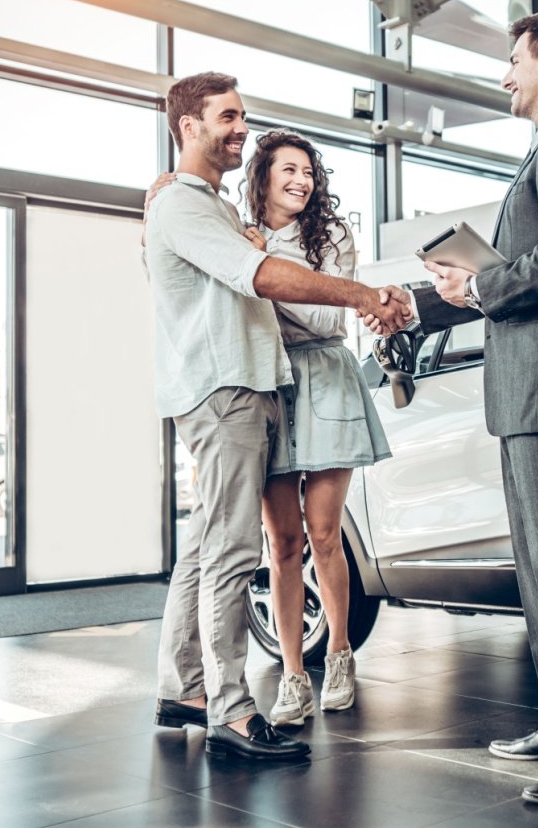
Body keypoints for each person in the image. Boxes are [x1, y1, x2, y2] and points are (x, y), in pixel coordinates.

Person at [363, 10, 538, 805]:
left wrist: (481, 284)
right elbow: (519, 269)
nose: (505, 75)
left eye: (514, 60)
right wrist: (427, 301)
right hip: (529, 391)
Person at [145, 72, 409, 761]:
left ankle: (184, 689)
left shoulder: (201, 204)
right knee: (236, 551)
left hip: (244, 388)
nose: (240, 128)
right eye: (228, 117)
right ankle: (233, 712)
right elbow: (258, 276)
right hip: (227, 391)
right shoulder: (186, 206)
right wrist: (360, 295)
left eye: (242, 118)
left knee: (206, 548)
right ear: (188, 127)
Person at [238, 130, 391, 726]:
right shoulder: (242, 235)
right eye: (288, 171)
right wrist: (254, 264)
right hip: (269, 382)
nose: (301, 180)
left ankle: (341, 653)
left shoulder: (332, 235)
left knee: (326, 535)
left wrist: (267, 271)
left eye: (307, 171)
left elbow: (329, 314)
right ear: (264, 177)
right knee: (281, 544)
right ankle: (294, 676)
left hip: (326, 376)